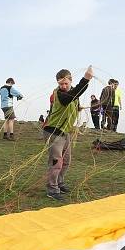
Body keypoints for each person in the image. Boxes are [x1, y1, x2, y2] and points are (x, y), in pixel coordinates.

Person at [43, 66, 92, 201]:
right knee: (56, 162)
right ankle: (52, 190)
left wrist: (78, 108)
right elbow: (71, 96)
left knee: (66, 160)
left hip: (65, 132)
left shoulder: (72, 95)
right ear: (57, 83)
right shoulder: (59, 94)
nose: (63, 86)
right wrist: (86, 79)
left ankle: (59, 182)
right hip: (53, 131)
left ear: (71, 81)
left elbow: (73, 99)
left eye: (66, 83)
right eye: (61, 83)